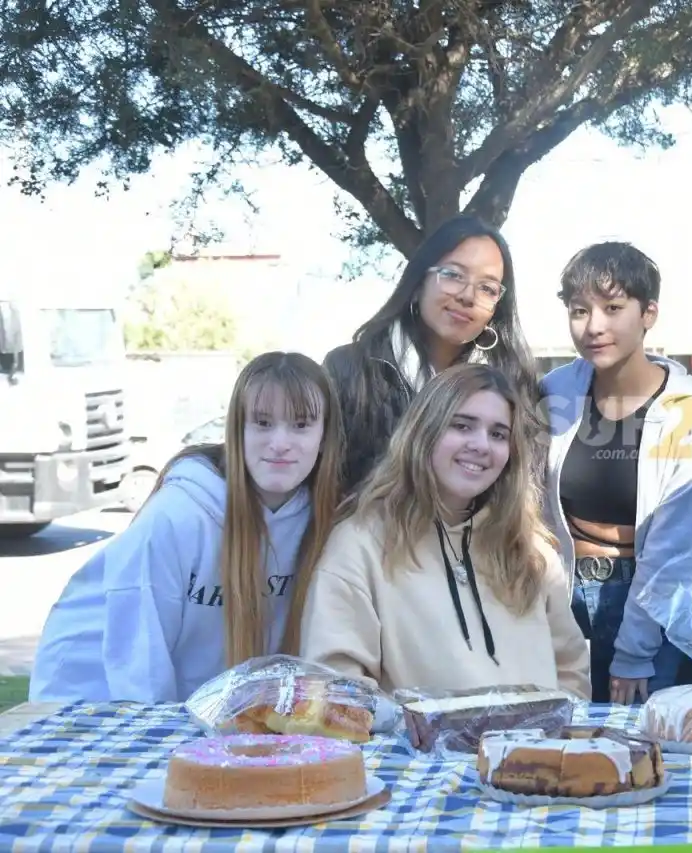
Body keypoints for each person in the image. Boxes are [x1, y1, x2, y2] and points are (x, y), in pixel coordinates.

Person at [30, 352, 343, 703]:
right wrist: (160, 737)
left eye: (301, 425)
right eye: (263, 423)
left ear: (324, 435)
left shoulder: (325, 521)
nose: (280, 442)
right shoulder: (176, 515)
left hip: (195, 710)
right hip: (89, 693)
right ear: (237, 430)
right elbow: (138, 656)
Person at [300, 363, 590, 699]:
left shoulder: (529, 547)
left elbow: (571, 671)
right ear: (425, 432)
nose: (481, 445)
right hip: (415, 750)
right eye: (463, 426)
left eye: (498, 434)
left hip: (532, 750)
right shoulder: (361, 542)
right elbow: (336, 685)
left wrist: (551, 743)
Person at [541, 242, 692, 705]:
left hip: (649, 605)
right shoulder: (554, 392)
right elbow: (530, 505)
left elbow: (673, 544)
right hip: (562, 595)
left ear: (649, 313)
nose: (594, 326)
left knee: (643, 748)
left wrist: (634, 653)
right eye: (579, 310)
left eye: (614, 307)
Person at [323, 215, 540, 498]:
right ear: (418, 283)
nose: (468, 296)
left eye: (487, 288)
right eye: (453, 275)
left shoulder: (514, 382)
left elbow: (521, 494)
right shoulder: (351, 370)